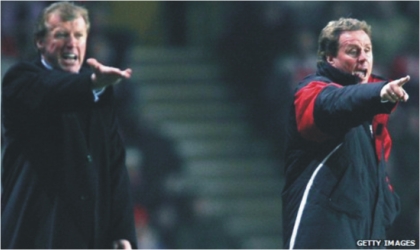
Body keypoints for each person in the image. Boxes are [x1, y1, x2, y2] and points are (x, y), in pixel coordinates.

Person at [1, 2, 137, 249]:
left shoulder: (98, 93)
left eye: (79, 35)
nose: (71, 42)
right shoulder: (20, 79)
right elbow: (53, 90)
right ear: (40, 42)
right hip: (37, 237)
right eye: (61, 34)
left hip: (90, 238)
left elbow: (114, 167)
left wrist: (122, 231)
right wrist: (93, 83)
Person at [282, 17, 410, 249]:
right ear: (330, 58)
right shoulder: (311, 92)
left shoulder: (374, 119)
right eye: (353, 51)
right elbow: (336, 103)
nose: (363, 57)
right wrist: (378, 94)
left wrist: (387, 205)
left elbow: (379, 183)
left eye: (368, 50)